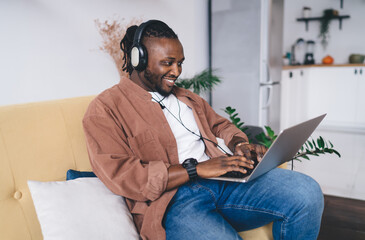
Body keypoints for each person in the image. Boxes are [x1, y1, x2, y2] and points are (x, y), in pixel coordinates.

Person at [83, 20, 324, 240]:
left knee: (307, 193)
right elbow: (124, 175)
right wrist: (195, 169)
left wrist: (240, 145)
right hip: (173, 202)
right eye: (168, 63)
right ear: (140, 59)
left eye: (179, 64)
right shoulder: (105, 109)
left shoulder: (187, 98)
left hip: (225, 181)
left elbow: (221, 125)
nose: (176, 72)